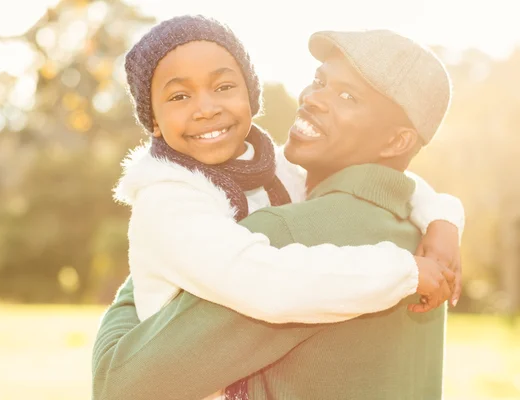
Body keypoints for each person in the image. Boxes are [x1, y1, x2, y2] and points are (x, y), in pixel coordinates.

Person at [93, 20, 463, 400]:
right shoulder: (171, 197)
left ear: (252, 96)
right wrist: (409, 262)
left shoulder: (283, 197)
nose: (205, 108)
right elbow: (261, 281)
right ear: (152, 120)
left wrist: (444, 217)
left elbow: (116, 385)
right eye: (319, 82)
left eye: (223, 87)